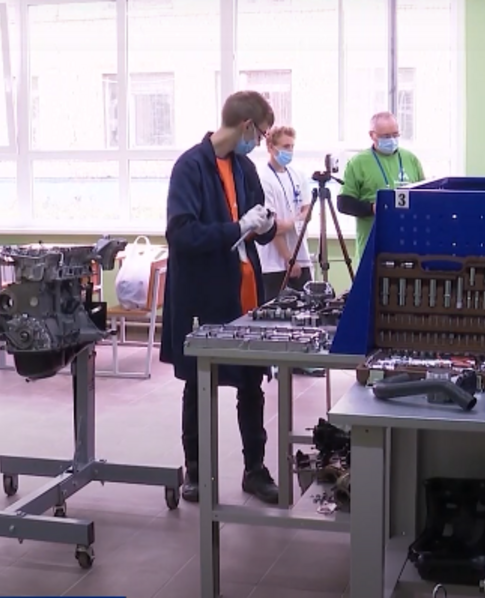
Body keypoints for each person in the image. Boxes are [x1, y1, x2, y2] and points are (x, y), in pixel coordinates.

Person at [160, 90, 294, 505]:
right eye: (262, 134)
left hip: (244, 291)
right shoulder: (190, 167)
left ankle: (255, 469)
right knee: (199, 383)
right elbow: (182, 234)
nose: (261, 142)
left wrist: (265, 225)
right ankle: (197, 471)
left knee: (251, 383)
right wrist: (237, 227)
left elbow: (258, 225)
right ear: (247, 126)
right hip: (203, 293)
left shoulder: (243, 167)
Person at [336, 111, 426, 262]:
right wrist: (372, 208)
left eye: (395, 134)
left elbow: (425, 195)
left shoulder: (410, 159)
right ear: (373, 135)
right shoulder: (358, 163)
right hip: (373, 244)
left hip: (409, 243)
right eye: (386, 136)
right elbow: (344, 203)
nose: (392, 139)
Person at [257, 125, 313, 302]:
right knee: (274, 310)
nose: (289, 151)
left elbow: (308, 211)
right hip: (275, 263)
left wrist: (289, 223)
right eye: (285, 146)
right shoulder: (263, 179)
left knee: (308, 307)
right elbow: (271, 227)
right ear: (270, 147)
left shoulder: (298, 175)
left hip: (301, 256)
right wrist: (289, 259)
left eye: (292, 146)